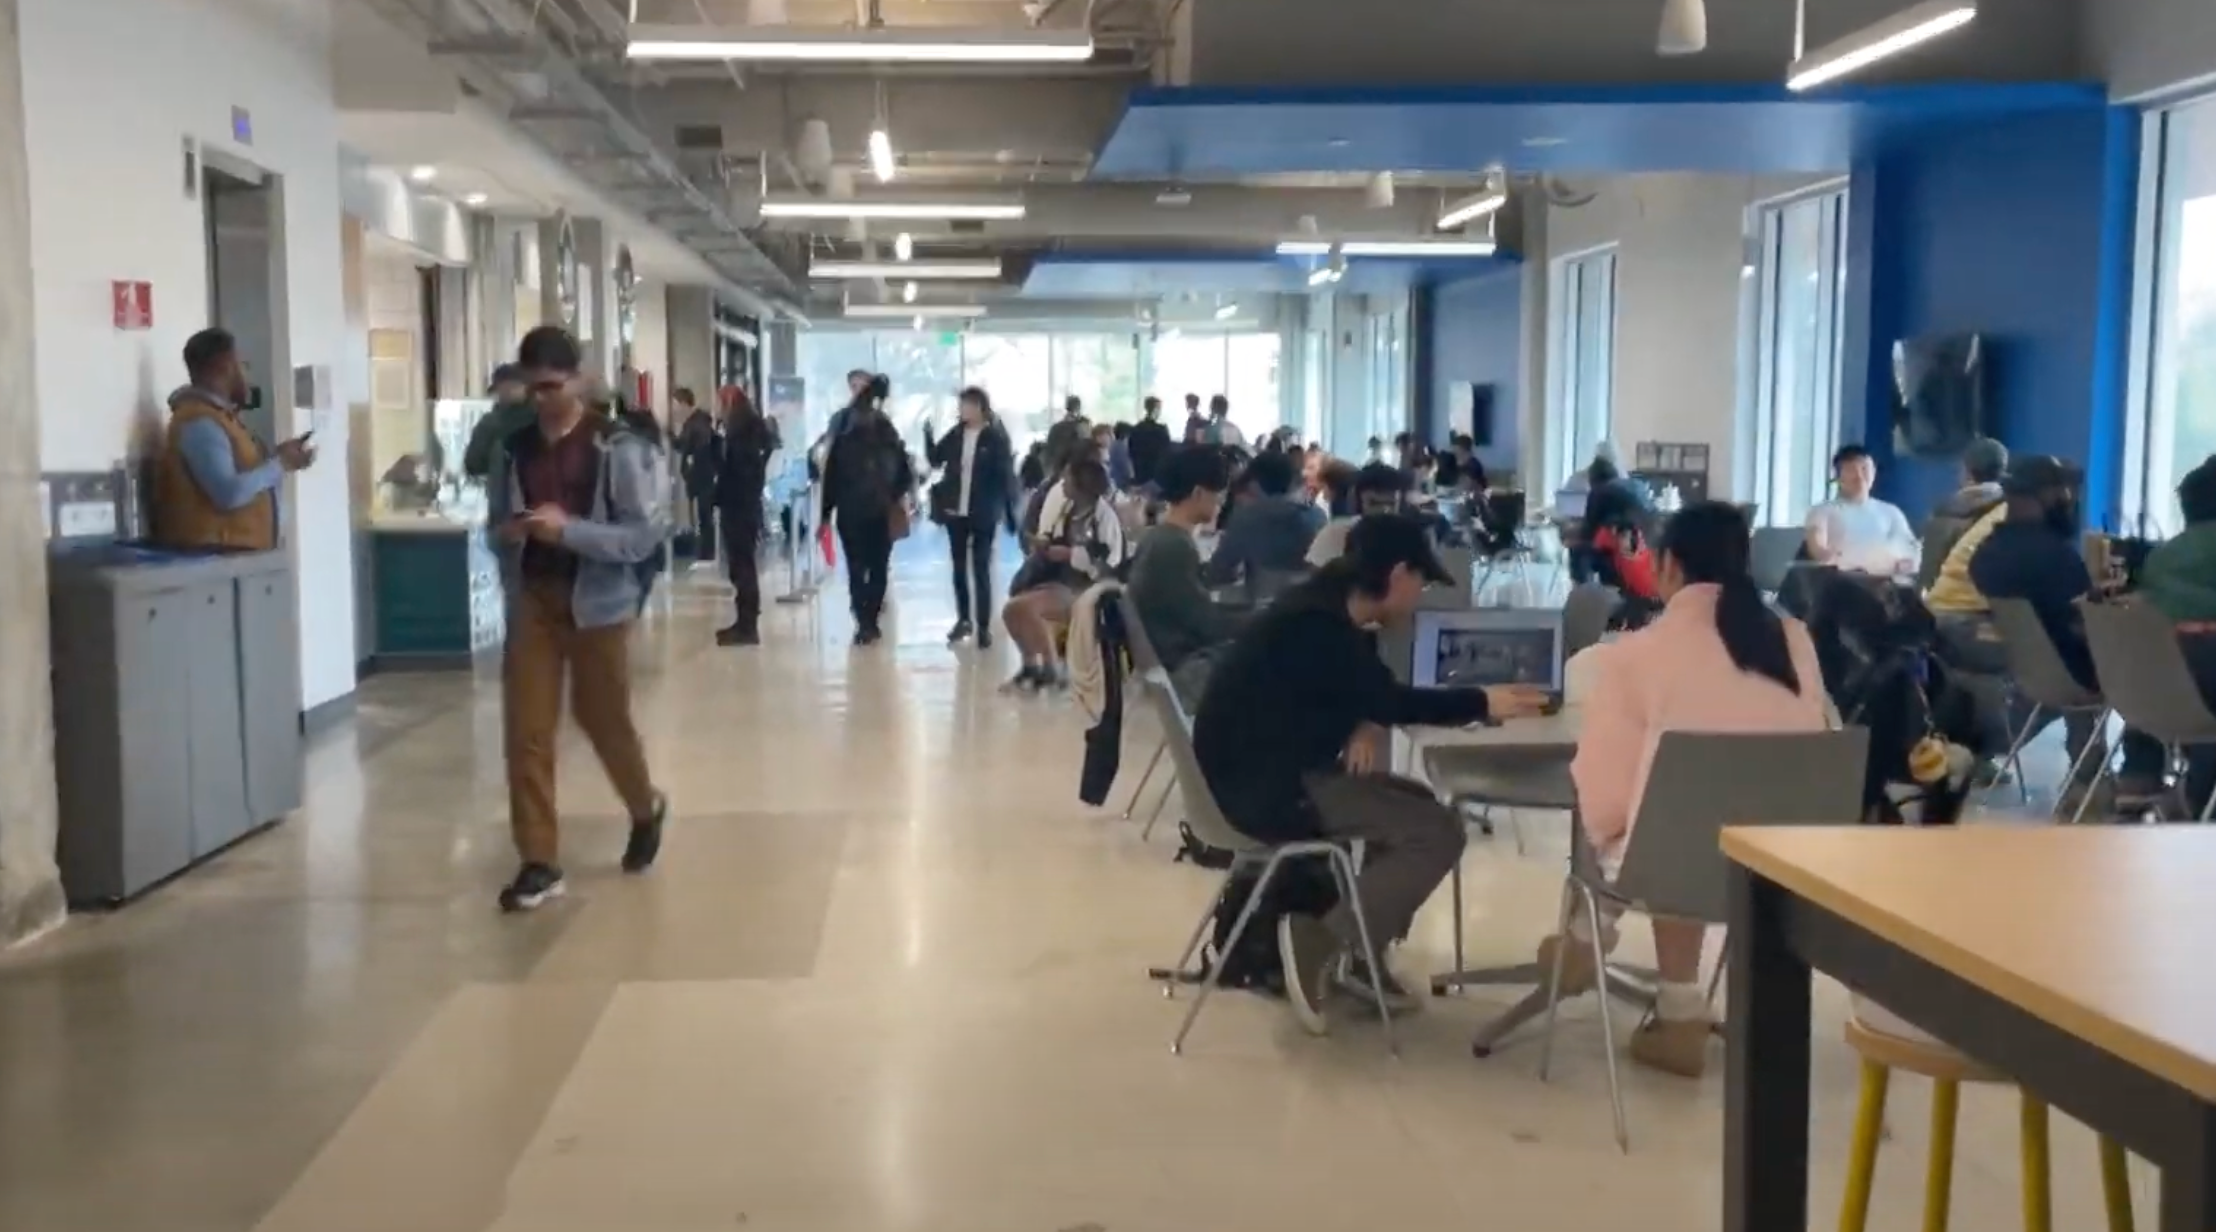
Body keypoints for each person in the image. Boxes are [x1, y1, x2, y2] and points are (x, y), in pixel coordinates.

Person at [1193, 515, 1549, 1033]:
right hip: (1267, 789)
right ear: (1398, 574)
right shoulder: (1319, 628)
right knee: (1437, 831)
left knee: (1415, 805)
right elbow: (1391, 697)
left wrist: (1365, 719)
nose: (1419, 597)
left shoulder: (1323, 612)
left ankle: (1360, 952)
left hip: (1262, 773)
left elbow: (1366, 690)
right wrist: (1483, 699)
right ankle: (1324, 942)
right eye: (1420, 584)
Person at [1551, 501, 1830, 1076]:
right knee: (1690, 810)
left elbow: (1603, 799)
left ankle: (1588, 937)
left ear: (1669, 563)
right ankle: (1672, 1000)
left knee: (1629, 812)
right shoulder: (1795, 640)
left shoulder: (1638, 655)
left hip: (1679, 860)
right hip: (1790, 861)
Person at [486, 327, 668, 913]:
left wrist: (571, 531)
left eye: (551, 387)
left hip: (598, 602)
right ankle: (538, 860)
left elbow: (642, 536)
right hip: (534, 598)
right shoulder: (513, 450)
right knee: (527, 732)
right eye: (531, 389)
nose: (541, 400)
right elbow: (494, 527)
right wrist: (511, 533)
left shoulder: (616, 448)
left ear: (579, 380)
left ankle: (645, 805)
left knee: (601, 716)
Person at [1968, 455, 2167, 799]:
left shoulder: (1986, 553)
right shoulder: (2055, 556)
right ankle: (2140, 774)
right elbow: (2082, 625)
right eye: (2065, 491)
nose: (2071, 499)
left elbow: (2055, 612)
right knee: (2153, 665)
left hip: (2035, 673)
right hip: (2078, 673)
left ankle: (2087, 775)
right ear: (2043, 496)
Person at [152, 327, 315, 551]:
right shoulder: (199, 423)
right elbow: (228, 493)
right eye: (242, 365)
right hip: (215, 559)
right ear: (223, 366)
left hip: (237, 557)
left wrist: (278, 457)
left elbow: (242, 475)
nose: (245, 374)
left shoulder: (222, 419)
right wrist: (280, 464)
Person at [1125, 447, 1242, 705]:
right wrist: (1267, 619)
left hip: (1166, 660)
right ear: (1198, 493)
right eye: (1219, 496)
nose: (1222, 503)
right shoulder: (1174, 546)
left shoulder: (1157, 538)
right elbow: (1207, 625)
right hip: (1184, 669)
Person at [1002, 457, 1125, 692]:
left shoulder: (1103, 517)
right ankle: (1031, 667)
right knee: (1011, 610)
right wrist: (1045, 544)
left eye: (1068, 478)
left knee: (1026, 608)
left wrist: (1071, 555)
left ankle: (1052, 669)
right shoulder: (1068, 510)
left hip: (1089, 587)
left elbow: (1111, 561)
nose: (1062, 482)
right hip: (1061, 580)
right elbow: (1060, 540)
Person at [820, 374, 914, 646]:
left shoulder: (843, 430)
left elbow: (831, 477)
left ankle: (864, 619)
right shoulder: (887, 432)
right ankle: (868, 619)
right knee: (878, 566)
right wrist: (893, 496)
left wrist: (826, 513)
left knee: (856, 567)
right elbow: (904, 472)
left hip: (851, 512)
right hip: (879, 511)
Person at [928, 387, 1018, 648]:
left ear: (980, 407)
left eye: (967, 405)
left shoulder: (995, 438)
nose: (962, 410)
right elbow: (936, 459)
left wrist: (1010, 511)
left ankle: (983, 626)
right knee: (958, 568)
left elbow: (1005, 476)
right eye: (961, 405)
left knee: (980, 568)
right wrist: (927, 436)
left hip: (983, 511)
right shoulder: (956, 434)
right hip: (956, 511)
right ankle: (963, 619)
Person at [712, 386, 780, 646]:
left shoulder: (742, 436)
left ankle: (747, 625)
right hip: (745, 505)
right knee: (742, 565)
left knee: (743, 565)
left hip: (739, 507)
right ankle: (744, 620)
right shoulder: (751, 433)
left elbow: (737, 471)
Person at [1204, 449, 1321, 586]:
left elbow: (1219, 572)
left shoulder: (1247, 519)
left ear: (1255, 483)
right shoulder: (1318, 516)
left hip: (1260, 603)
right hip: (1310, 600)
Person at [1806, 444, 1919, 576]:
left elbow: (1909, 550)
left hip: (1887, 584)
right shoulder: (1822, 511)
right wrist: (1828, 558)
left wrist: (1907, 564)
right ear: (1838, 477)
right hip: (1841, 583)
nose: (1859, 477)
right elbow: (1818, 547)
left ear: (1874, 472)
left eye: (1865, 469)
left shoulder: (1891, 512)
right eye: (1851, 470)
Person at [1919, 437, 2008, 591]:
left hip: (1950, 605)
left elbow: (1928, 578)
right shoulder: (2013, 511)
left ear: (1966, 472)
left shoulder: (1943, 517)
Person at [1307, 462, 1408, 565]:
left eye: (1391, 504)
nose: (1384, 511)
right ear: (1356, 502)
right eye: (1374, 503)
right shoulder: (1336, 533)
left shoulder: (1408, 541)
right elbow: (1316, 576)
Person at [673, 387, 720, 563]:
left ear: (685, 404)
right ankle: (705, 553)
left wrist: (691, 467)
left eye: (676, 405)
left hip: (702, 477)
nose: (675, 410)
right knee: (702, 516)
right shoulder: (695, 423)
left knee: (704, 516)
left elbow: (691, 447)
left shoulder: (696, 423)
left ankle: (706, 554)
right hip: (700, 478)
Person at [1127, 396, 1173, 488]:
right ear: (1155, 409)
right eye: (1159, 408)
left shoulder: (1136, 428)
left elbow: (1131, 451)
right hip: (1157, 474)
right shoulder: (1161, 429)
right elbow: (1167, 451)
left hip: (1139, 472)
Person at [1043, 394, 1088, 476]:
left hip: (1058, 468)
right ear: (1079, 407)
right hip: (1076, 469)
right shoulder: (1082, 426)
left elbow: (1049, 452)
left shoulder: (1055, 428)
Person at [1107, 422, 1135, 490]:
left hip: (1114, 479)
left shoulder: (1113, 445)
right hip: (1121, 482)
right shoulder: (1121, 446)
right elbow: (1125, 466)